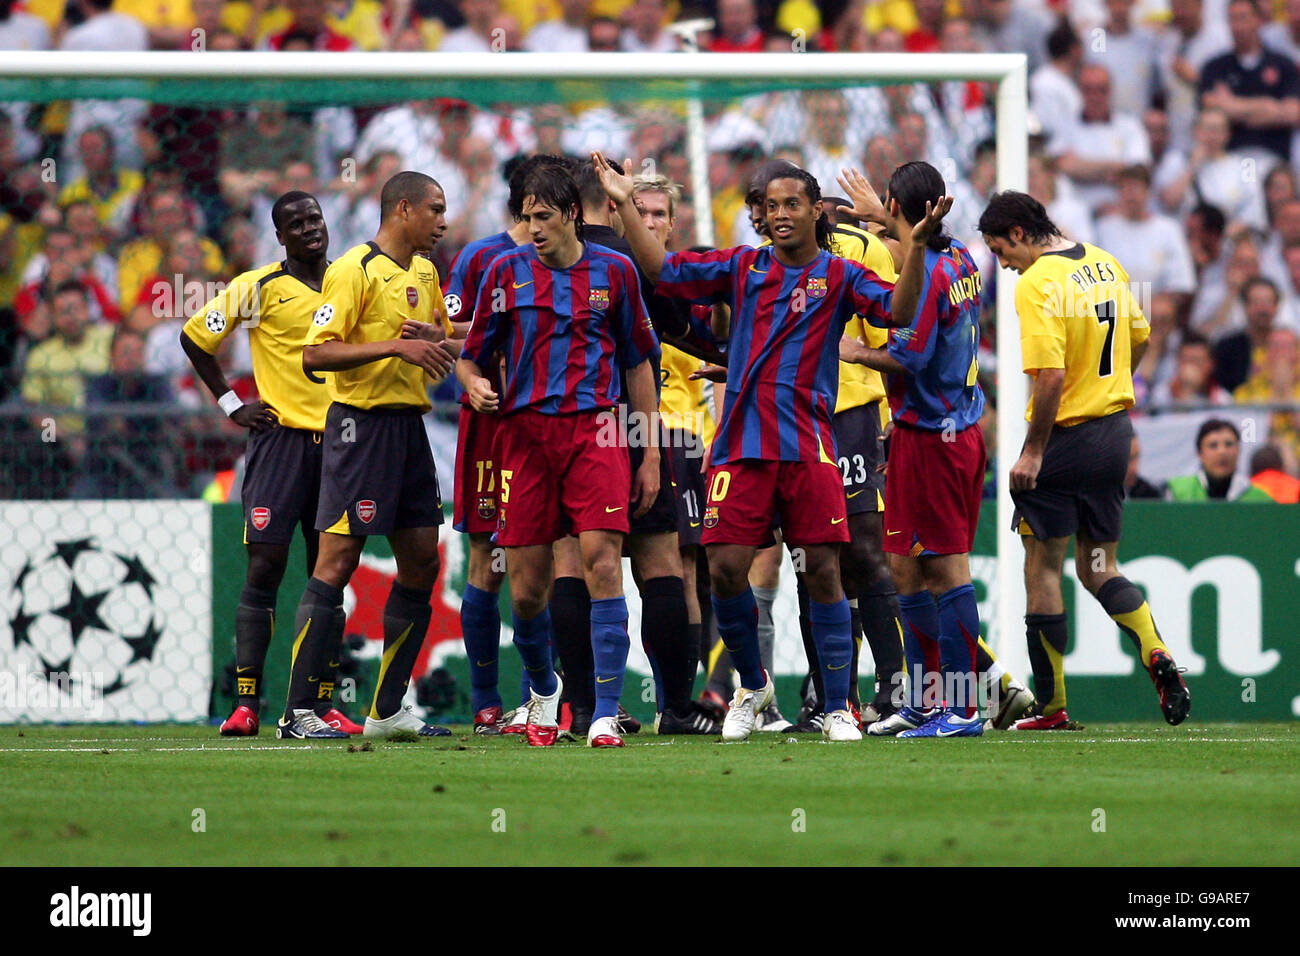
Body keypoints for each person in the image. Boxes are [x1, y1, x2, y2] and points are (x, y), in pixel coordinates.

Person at [595, 153, 935, 742]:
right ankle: (752, 687)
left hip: (809, 447)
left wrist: (918, 248)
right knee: (726, 569)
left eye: (792, 204)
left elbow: (898, 312)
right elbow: (662, 273)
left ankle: (835, 707)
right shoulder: (740, 268)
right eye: (770, 205)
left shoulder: (840, 275)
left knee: (825, 571)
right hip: (741, 447)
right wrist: (625, 202)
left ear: (814, 212)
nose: (780, 214)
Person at [456, 163, 662, 749]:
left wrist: (647, 454)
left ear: (571, 214)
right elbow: (472, 355)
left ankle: (600, 712)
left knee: (601, 561)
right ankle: (545, 688)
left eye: (542, 216)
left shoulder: (615, 271)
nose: (532, 228)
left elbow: (638, 364)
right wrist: (472, 384)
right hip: (522, 439)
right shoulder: (504, 272)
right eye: (525, 217)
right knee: (524, 587)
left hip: (596, 432)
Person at [978, 190, 1191, 728]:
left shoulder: (1037, 283)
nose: (1003, 263)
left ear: (1020, 235)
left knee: (1042, 570)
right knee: (1100, 567)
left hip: (1062, 440)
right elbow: (1139, 337)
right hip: (1114, 435)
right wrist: (1111, 384)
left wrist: (1032, 450)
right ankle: (1155, 649)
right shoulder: (1103, 261)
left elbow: (1049, 375)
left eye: (1002, 250)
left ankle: (1051, 707)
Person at [838, 162, 1032, 738]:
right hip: (934, 435)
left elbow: (909, 356)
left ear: (900, 208)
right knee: (906, 569)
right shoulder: (963, 262)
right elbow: (916, 259)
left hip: (936, 437)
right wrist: (889, 220)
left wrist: (854, 352)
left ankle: (963, 707)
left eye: (888, 209)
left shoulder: (926, 281)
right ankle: (926, 700)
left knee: (945, 570)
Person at [281, 171, 459, 740]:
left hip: (410, 428)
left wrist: (447, 342)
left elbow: (443, 340)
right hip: (360, 428)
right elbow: (315, 355)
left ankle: (386, 711)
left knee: (423, 560)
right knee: (337, 560)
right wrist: (396, 345)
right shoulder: (353, 269)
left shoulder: (428, 272)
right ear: (402, 209)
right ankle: (299, 712)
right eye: (434, 209)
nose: (443, 221)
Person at [179, 191, 358, 737]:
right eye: (296, 223)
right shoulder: (256, 288)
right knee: (265, 566)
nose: (310, 229)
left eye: (315, 219)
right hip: (279, 443)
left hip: (340, 444)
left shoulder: (352, 282)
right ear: (279, 236)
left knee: (332, 573)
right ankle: (247, 703)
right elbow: (195, 337)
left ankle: (319, 704)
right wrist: (232, 404)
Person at [444, 154, 566, 735]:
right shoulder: (481, 258)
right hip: (491, 425)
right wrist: (476, 371)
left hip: (556, 426)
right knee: (488, 562)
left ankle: (539, 699)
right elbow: (451, 333)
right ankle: (487, 703)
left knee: (545, 563)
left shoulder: (580, 255)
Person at [1166, 419, 1271, 501]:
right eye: (1213, 445)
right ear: (1199, 453)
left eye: (1229, 444)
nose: (1222, 452)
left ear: (1239, 451)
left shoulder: (1259, 498)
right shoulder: (1178, 492)